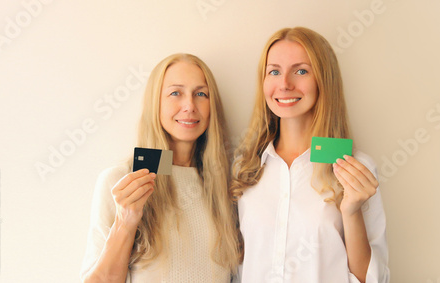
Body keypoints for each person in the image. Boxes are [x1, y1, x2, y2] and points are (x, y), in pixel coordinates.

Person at [230, 27, 389, 283]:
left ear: (323, 80)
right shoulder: (244, 168)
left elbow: (372, 279)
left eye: (301, 70)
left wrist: (351, 211)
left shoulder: (357, 168)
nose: (284, 84)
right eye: (274, 71)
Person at [81, 53, 240, 282]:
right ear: (156, 102)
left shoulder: (225, 186)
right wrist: (126, 223)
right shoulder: (120, 181)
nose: (189, 106)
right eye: (175, 93)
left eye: (201, 94)